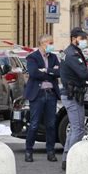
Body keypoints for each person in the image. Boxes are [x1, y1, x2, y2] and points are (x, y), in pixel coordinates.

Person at [60, 27, 88, 170]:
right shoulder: (72, 54)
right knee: (78, 129)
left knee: (74, 129)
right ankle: (72, 158)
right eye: (82, 38)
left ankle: (67, 158)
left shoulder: (72, 52)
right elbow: (83, 73)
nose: (85, 41)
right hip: (72, 95)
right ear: (74, 38)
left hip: (73, 94)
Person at [24, 34, 61, 163]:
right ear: (43, 43)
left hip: (51, 94)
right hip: (37, 94)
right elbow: (33, 73)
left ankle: (50, 151)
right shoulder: (32, 57)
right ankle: (29, 151)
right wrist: (50, 72)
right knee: (34, 124)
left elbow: (59, 72)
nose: (52, 45)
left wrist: (46, 70)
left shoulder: (54, 57)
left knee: (51, 124)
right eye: (50, 43)